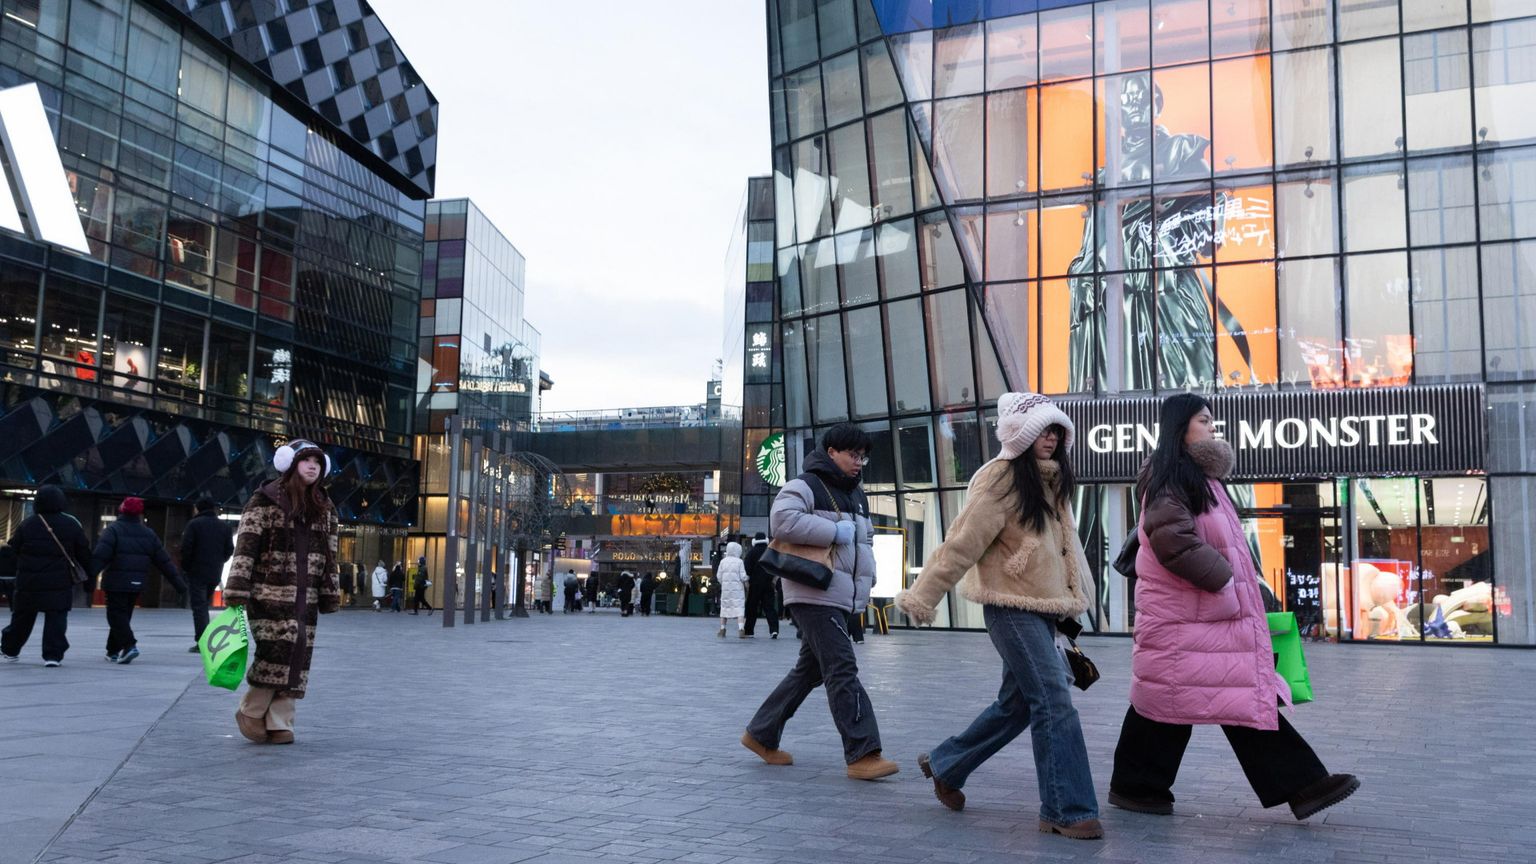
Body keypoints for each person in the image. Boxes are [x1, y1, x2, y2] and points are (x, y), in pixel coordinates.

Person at [1108, 394, 1360, 820]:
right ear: (1180, 427)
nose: (1212, 427)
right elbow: (1173, 540)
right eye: (1203, 420)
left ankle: (1137, 786)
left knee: (1180, 699)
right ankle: (1303, 785)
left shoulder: (1201, 479)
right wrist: (1224, 578)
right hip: (1187, 617)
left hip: (1200, 616)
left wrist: (1250, 585)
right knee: (1211, 696)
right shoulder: (1171, 477)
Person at [896, 392, 1102, 840]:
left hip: (1045, 610)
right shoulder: (1001, 479)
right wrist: (923, 596)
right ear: (1020, 434)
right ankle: (1068, 809)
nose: (1050, 438)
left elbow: (1066, 552)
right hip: (1009, 607)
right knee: (1053, 697)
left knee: (1017, 706)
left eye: (1056, 431)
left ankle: (947, 764)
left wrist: (1075, 599)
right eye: (1041, 430)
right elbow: (961, 544)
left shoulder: (1053, 481)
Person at [742, 423, 897, 781]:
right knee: (842, 667)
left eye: (863, 457)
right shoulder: (805, 485)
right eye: (852, 455)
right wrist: (832, 530)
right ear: (831, 453)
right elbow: (781, 521)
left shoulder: (856, 494)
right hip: (813, 590)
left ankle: (761, 733)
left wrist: (867, 581)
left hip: (839, 595)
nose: (859, 462)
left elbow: (863, 545)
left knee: (810, 671)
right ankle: (863, 753)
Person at [223, 439, 341, 745]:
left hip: (308, 595)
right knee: (276, 648)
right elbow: (245, 546)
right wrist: (237, 587)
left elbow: (331, 554)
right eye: (306, 461)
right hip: (268, 592)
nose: (313, 466)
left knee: (299, 651)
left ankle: (280, 720)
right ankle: (252, 708)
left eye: (317, 462)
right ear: (290, 464)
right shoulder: (263, 500)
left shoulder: (325, 506)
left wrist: (330, 590)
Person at [1, 485, 90, 666]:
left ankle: (10, 649)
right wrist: (90, 577)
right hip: (59, 580)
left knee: (23, 617)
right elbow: (84, 552)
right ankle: (53, 655)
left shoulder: (28, 524)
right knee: (56, 617)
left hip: (29, 580)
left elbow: (14, 549)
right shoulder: (71, 524)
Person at [93, 497, 186, 664]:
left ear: (122, 510)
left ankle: (129, 646)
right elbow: (164, 561)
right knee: (124, 615)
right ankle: (112, 650)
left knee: (116, 615)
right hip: (137, 583)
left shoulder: (113, 530)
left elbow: (100, 556)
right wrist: (179, 585)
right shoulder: (148, 534)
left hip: (116, 582)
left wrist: (88, 577)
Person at [180, 496, 234, 652]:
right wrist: (219, 561)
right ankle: (205, 639)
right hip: (214, 572)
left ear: (198, 508)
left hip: (196, 572)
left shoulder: (194, 524)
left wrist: (186, 567)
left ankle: (202, 642)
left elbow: (186, 548)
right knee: (204, 605)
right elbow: (229, 549)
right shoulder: (224, 527)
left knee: (199, 607)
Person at [742, 533, 778, 639]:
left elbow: (747, 568)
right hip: (768, 583)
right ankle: (774, 630)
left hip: (755, 584)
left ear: (754, 541)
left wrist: (747, 580)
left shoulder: (751, 553)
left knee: (752, 607)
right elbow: (775, 566)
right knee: (769, 607)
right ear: (766, 540)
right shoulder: (770, 552)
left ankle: (749, 631)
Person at [716, 542, 748, 639]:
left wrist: (724, 583)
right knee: (739, 610)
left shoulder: (723, 561)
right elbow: (743, 577)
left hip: (726, 591)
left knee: (724, 610)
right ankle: (741, 629)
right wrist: (747, 578)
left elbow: (718, 576)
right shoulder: (739, 562)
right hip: (738, 590)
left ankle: (722, 630)